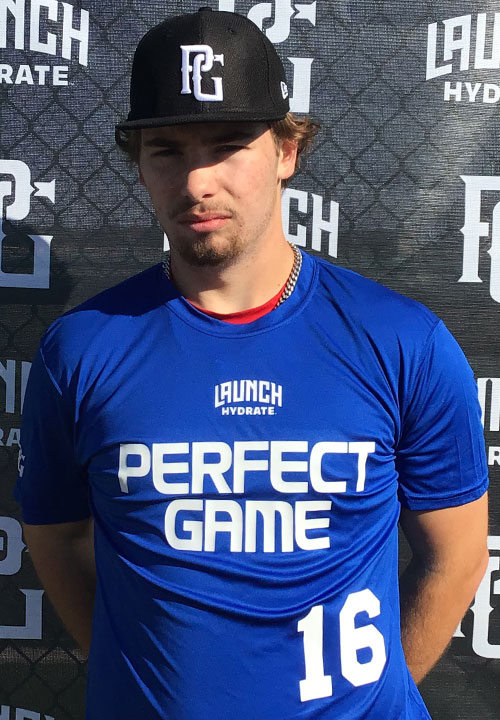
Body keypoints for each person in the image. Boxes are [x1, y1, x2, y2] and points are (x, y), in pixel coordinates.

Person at [15, 7, 489, 720]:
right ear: (138, 164)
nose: (198, 182)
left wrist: (370, 700)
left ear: (286, 151)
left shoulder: (403, 341)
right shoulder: (80, 349)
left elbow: (456, 555)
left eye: (229, 145)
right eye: (166, 150)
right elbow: (57, 540)